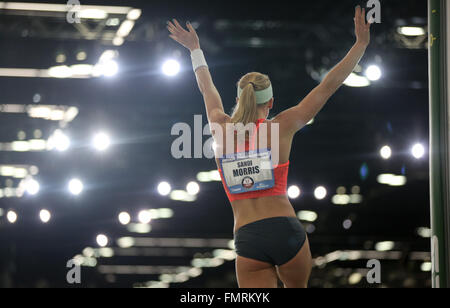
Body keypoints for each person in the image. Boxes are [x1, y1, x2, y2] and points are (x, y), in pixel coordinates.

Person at [167, 6, 371, 288]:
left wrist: (195, 49)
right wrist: (360, 45)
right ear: (271, 102)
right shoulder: (281, 126)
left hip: (247, 237)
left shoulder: (220, 128)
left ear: (238, 100)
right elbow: (327, 86)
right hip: (285, 230)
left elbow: (207, 88)